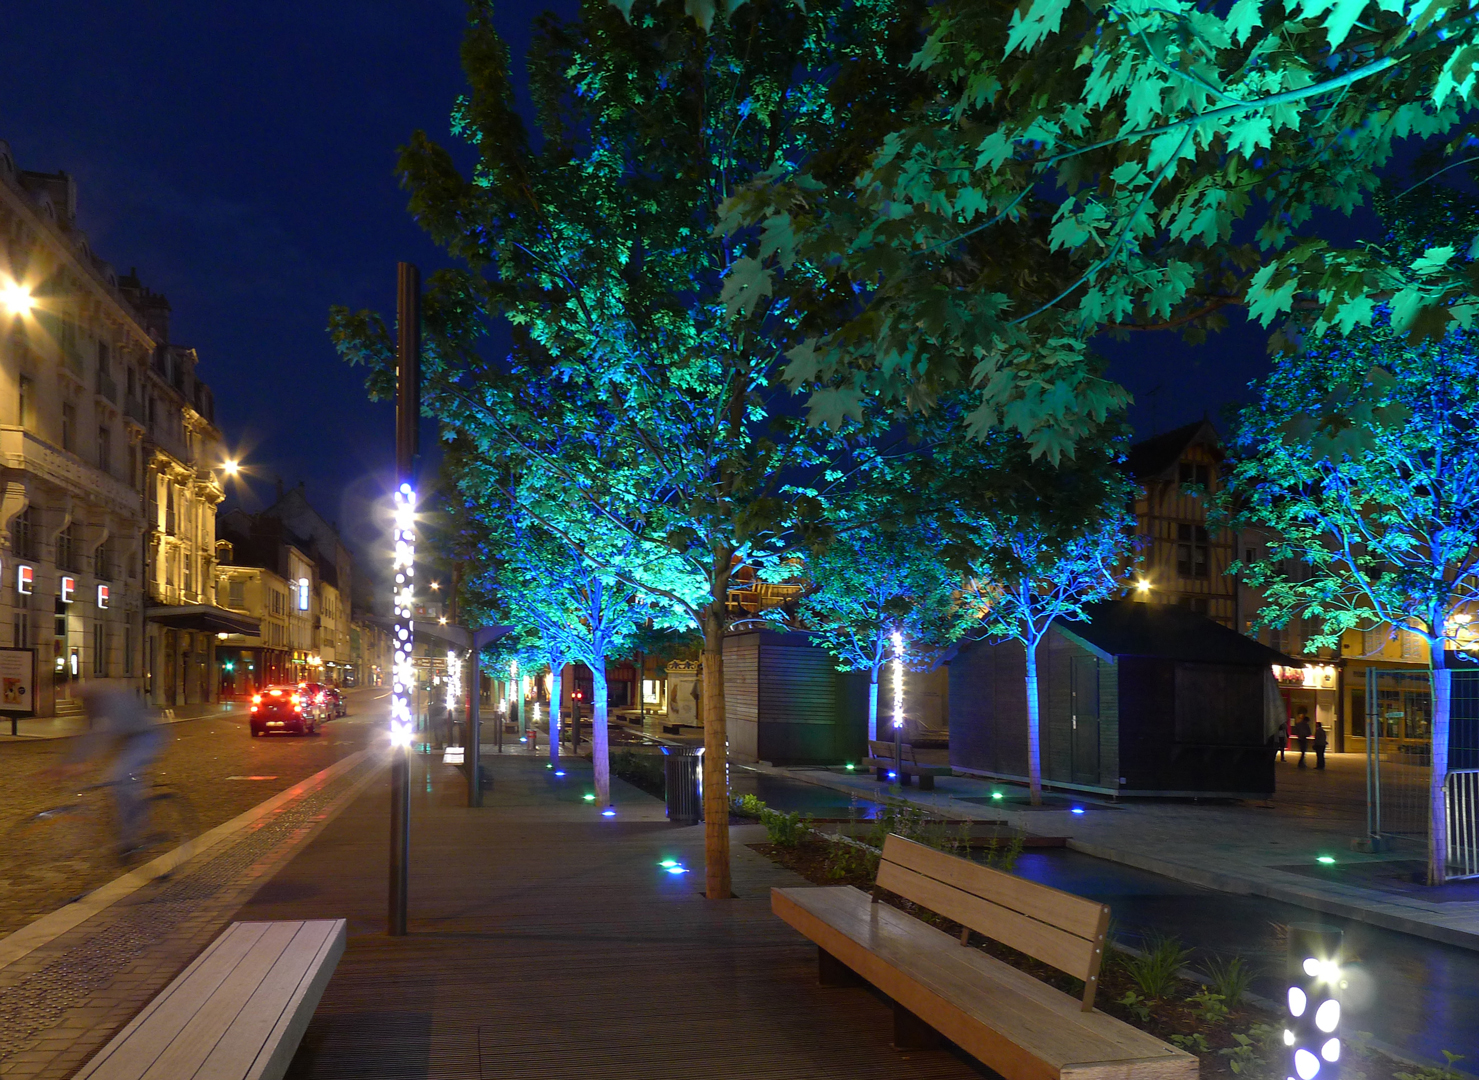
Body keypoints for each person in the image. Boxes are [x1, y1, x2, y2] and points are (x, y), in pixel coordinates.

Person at [62, 686, 165, 857]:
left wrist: (86, 762)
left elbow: (107, 734)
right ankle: (128, 835)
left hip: (147, 737)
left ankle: (134, 834)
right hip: (129, 740)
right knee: (116, 782)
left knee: (120, 779)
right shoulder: (94, 703)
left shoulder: (112, 700)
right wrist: (66, 762)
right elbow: (87, 734)